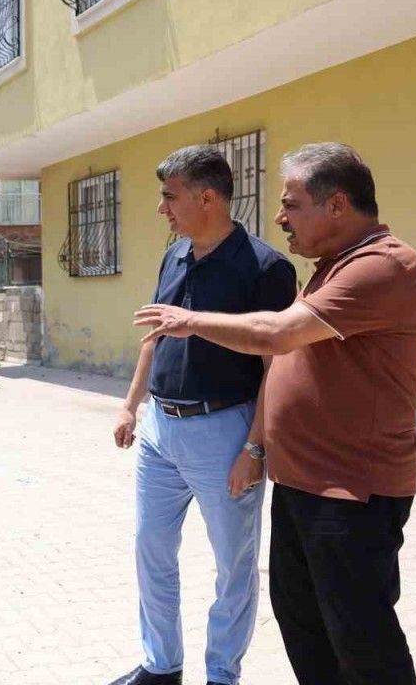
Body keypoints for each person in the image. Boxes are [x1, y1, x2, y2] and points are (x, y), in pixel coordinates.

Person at [134, 143, 416, 685]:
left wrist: (190, 320)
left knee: (360, 637)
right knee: (304, 622)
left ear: (337, 204)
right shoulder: (330, 268)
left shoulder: (382, 267)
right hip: (304, 482)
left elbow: (277, 334)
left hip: (351, 488)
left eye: (291, 204)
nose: (279, 217)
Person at [110, 145, 297, 685]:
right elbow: (155, 333)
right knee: (151, 550)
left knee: (233, 565)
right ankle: (161, 665)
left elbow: (276, 366)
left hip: (224, 433)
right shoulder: (174, 256)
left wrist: (255, 447)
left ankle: (221, 674)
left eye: (170, 197)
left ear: (207, 197)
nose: (162, 208)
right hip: (159, 430)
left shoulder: (265, 268)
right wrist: (130, 405)